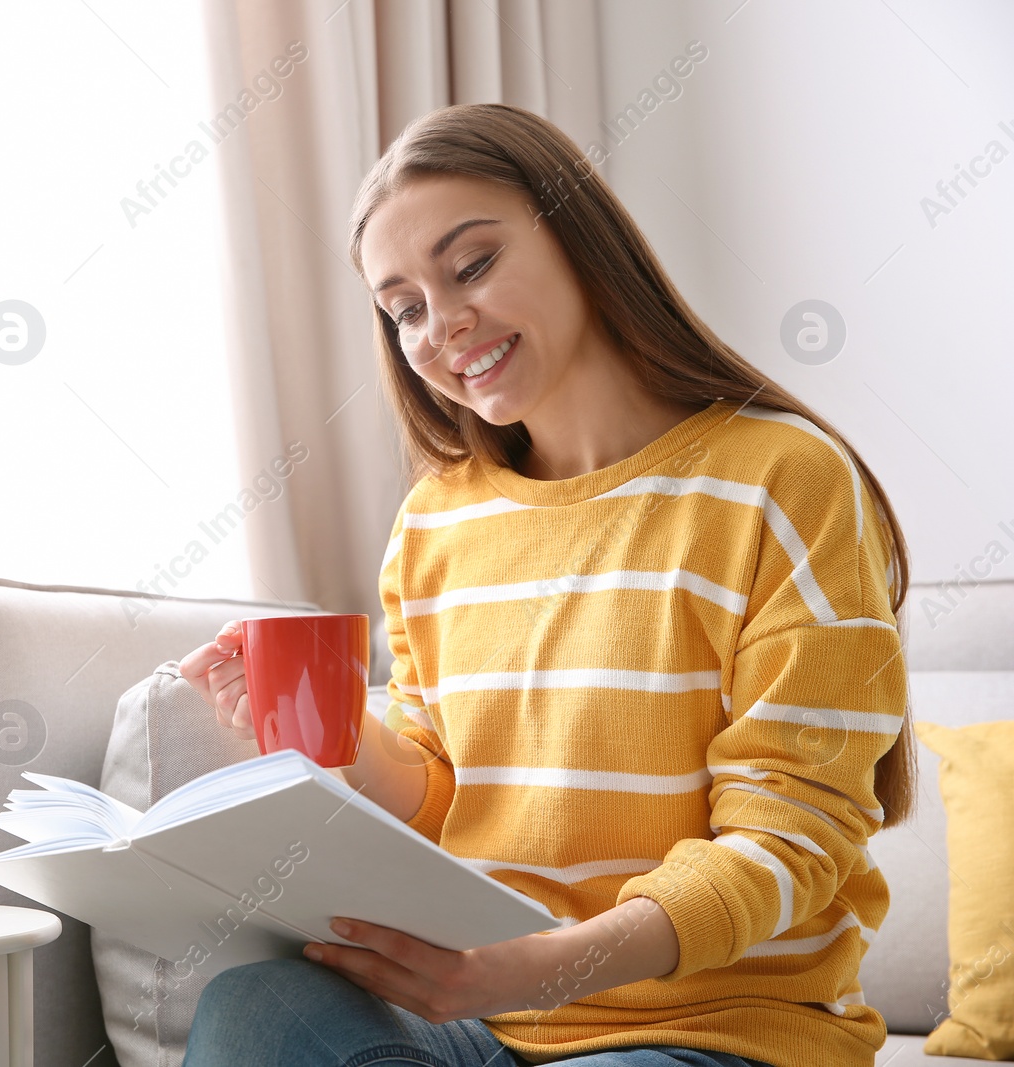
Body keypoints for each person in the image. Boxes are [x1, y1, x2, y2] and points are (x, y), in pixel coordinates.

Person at [177, 102, 913, 1067]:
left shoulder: (782, 480)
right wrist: (338, 726)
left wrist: (537, 969)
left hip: (712, 1031)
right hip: (484, 1021)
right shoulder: (439, 518)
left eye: (471, 264)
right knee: (257, 1005)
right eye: (404, 307)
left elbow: (793, 837)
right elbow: (444, 785)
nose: (443, 326)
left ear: (579, 236)